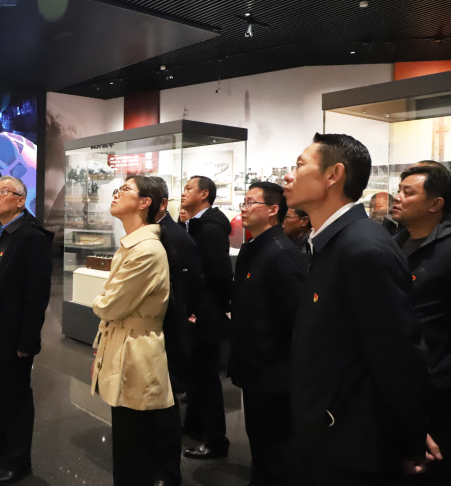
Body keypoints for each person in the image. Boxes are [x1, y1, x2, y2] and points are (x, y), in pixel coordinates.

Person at [283, 133, 428, 485]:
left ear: (333, 175)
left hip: (352, 448)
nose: (289, 175)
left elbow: (398, 355)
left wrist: (410, 441)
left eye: (300, 165)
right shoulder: (332, 243)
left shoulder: (362, 248)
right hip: (327, 434)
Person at [0, 176, 53, 486]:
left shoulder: (32, 238)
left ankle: (17, 462)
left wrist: (28, 340)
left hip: (13, 335)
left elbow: (37, 295)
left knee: (15, 398)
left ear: (20, 201)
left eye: (4, 192)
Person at [90, 175, 176, 486]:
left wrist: (100, 302)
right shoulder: (134, 245)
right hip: (124, 341)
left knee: (135, 440)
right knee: (128, 437)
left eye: (125, 189)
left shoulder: (146, 250)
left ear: (145, 203)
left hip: (136, 348)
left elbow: (109, 305)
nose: (116, 194)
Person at [229, 181, 305, 486]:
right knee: (260, 440)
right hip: (255, 365)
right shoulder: (254, 246)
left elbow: (297, 317)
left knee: (276, 446)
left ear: (273, 210)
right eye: (244, 202)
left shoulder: (281, 252)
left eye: (251, 203)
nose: (244, 209)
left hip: (274, 370)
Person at [392, 164, 451, 485]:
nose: (397, 197)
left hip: (438, 388)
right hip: (399, 380)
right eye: (399, 190)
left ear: (435, 204)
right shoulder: (393, 243)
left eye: (408, 192)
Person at [152, 176, 204, 485]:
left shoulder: (173, 236)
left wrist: (187, 316)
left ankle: (167, 471)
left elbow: (191, 283)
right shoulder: (154, 233)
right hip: (156, 329)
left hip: (169, 330)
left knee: (166, 401)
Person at [179, 175, 233, 459]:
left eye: (189, 188)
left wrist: (208, 309)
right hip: (197, 311)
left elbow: (219, 274)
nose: (183, 192)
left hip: (205, 314)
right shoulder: (195, 223)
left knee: (207, 378)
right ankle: (195, 426)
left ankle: (216, 440)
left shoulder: (210, 228)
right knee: (197, 375)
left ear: (204, 194)